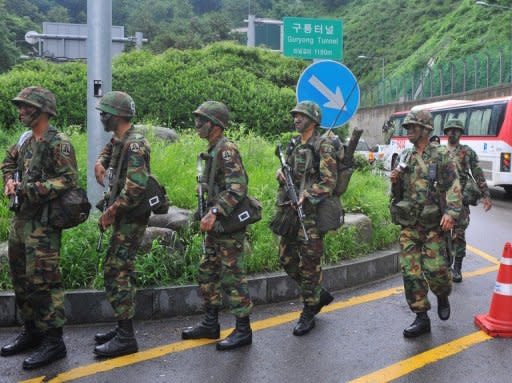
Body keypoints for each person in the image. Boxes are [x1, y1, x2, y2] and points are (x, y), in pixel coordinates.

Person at [0, 87, 77, 369]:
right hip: (21, 221)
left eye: (25, 106)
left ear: (42, 110)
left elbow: (68, 180)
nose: (20, 111)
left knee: (45, 282)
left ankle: (54, 342)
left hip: (43, 225)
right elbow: (8, 161)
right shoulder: (26, 140)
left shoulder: (59, 143)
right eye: (19, 106)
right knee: (21, 279)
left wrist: (30, 189)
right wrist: (10, 180)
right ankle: (32, 332)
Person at [181, 101, 254, 351]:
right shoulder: (212, 150)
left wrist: (214, 211)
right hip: (215, 227)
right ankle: (210, 323)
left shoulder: (226, 150)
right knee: (207, 272)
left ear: (215, 125)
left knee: (233, 278)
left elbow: (237, 188)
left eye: (201, 120)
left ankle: (243, 329)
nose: (197, 125)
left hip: (227, 226)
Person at [390, 109, 462, 338]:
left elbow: (453, 185)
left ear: (425, 129)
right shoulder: (406, 157)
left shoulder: (441, 155)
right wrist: (394, 181)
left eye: (413, 127)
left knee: (436, 272)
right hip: (410, 225)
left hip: (433, 226)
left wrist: (451, 212)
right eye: (407, 127)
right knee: (410, 273)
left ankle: (442, 294)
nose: (409, 130)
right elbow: (398, 193)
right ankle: (421, 317)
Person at [93, 91, 150, 358]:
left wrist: (111, 213)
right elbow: (111, 150)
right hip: (123, 216)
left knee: (117, 272)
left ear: (117, 116)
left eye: (104, 113)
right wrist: (100, 162)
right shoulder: (121, 139)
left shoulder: (135, 144)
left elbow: (136, 187)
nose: (101, 118)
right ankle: (121, 327)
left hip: (130, 217)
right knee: (118, 270)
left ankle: (126, 337)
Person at [274, 101, 335, 336]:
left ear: (313, 120)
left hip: (311, 215)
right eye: (295, 115)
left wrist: (307, 194)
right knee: (286, 258)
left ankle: (309, 309)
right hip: (290, 212)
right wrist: (281, 175)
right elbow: (290, 173)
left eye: (301, 116)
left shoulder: (323, 145)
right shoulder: (293, 145)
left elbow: (328, 182)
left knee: (309, 265)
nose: (296, 119)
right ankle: (318, 294)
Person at [444, 119, 492, 282]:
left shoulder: (467, 152)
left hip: (461, 199)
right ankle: (445, 264)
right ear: (446, 132)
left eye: (456, 130)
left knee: (458, 235)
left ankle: (457, 268)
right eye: (450, 130)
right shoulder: (439, 152)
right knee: (442, 234)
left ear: (461, 133)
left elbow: (478, 173)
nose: (452, 132)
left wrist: (486, 195)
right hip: (442, 198)